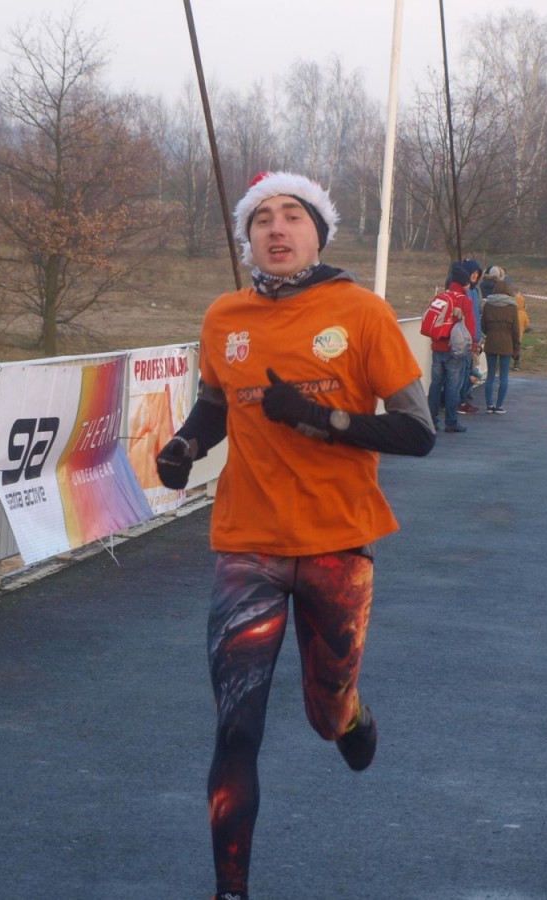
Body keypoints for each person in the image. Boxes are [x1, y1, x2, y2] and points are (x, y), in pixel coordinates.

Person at [152, 170, 435, 900]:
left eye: (292, 216)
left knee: (323, 711)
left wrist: (320, 418)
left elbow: (418, 432)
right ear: (247, 238)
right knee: (236, 727)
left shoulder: (361, 311)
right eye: (262, 219)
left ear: (318, 231)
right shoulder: (225, 316)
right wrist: (184, 445)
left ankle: (349, 715)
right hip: (246, 546)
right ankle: (230, 891)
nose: (276, 229)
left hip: (337, 545)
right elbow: (216, 405)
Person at [426, 263, 473, 432]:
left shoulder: (440, 297)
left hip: (437, 347)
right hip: (455, 350)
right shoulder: (464, 301)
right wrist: (473, 346)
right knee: (453, 386)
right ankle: (451, 422)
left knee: (435, 384)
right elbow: (470, 327)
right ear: (464, 283)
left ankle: (431, 419)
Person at [480, 274, 520, 413]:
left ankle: (489, 405)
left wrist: (490, 333)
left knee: (490, 375)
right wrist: (516, 346)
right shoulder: (512, 307)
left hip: (491, 342)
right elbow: (515, 329)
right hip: (506, 344)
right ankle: (500, 405)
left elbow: (483, 325)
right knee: (504, 376)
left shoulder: (488, 305)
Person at [459, 259, 484, 414]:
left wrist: (478, 337)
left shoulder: (475, 292)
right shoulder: (466, 292)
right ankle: (460, 401)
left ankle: (462, 398)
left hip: (474, 339)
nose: (475, 276)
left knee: (470, 372)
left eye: (477, 274)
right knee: (467, 373)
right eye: (472, 274)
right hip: (465, 339)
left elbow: (476, 316)